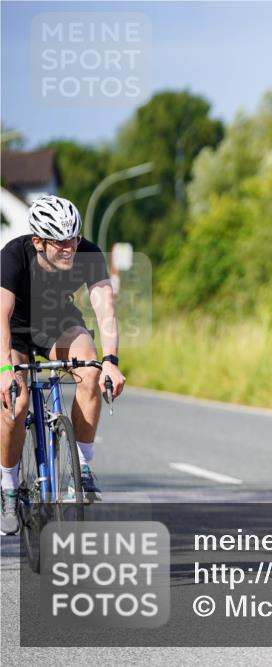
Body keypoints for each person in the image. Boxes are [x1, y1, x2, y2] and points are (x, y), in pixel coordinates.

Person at [0, 195, 126, 534]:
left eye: (74, 239)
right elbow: (1, 316)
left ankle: (81, 469)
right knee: (17, 401)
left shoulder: (88, 254)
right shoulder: (13, 256)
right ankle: (8, 486)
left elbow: (105, 310)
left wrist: (111, 361)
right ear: (38, 242)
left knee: (90, 370)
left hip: (58, 324)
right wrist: (5, 371)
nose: (70, 248)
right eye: (60, 242)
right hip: (16, 331)